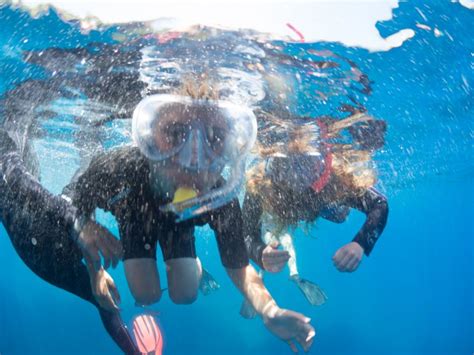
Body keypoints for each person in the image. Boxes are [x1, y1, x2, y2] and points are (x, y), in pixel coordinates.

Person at [67, 83, 316, 352]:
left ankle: (194, 265)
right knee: (145, 295)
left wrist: (270, 310)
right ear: (149, 136)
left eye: (215, 136)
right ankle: (186, 266)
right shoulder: (119, 167)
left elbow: (238, 263)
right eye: (175, 133)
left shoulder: (220, 194)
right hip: (134, 216)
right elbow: (73, 200)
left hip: (180, 226)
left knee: (185, 295)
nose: (194, 157)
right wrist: (94, 265)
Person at [0, 129, 141, 354]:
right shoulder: (6, 135)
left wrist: (96, 269)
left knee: (104, 301)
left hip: (39, 244)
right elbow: (18, 181)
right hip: (36, 242)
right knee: (89, 172)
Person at [242, 110, 389, 307]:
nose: (298, 181)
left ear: (324, 165)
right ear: (272, 165)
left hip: (326, 205)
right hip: (280, 208)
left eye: (307, 165)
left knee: (339, 215)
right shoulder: (262, 183)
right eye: (286, 166)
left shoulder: (334, 182)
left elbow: (379, 204)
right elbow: (246, 233)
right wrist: (259, 252)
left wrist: (360, 243)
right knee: (272, 227)